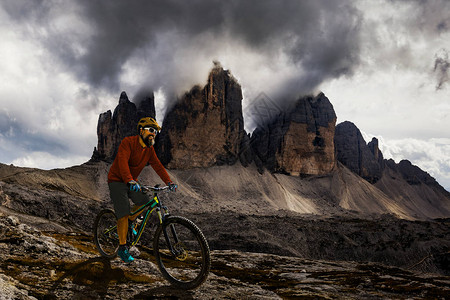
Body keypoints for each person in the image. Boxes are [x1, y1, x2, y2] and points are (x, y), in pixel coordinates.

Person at [107, 117, 177, 263]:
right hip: (117, 180)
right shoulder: (128, 142)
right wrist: (129, 180)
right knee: (124, 211)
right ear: (141, 130)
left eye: (156, 132)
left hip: (131, 180)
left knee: (145, 200)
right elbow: (122, 162)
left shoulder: (149, 150)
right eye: (151, 130)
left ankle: (131, 221)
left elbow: (157, 166)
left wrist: (169, 182)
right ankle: (122, 248)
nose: (153, 134)